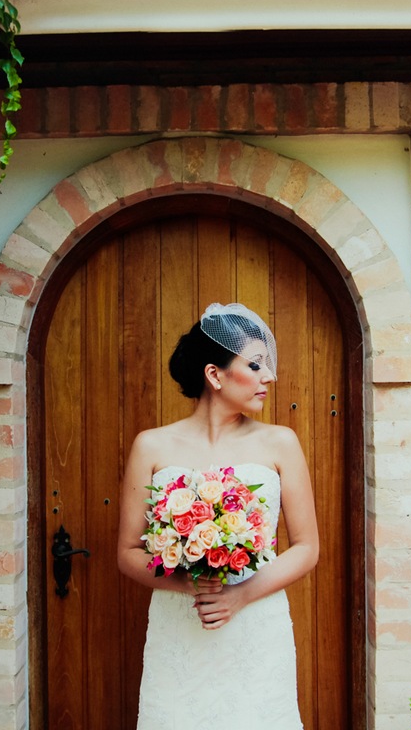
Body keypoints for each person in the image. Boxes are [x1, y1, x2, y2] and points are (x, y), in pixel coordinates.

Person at [117, 303, 320, 730]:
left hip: (256, 625)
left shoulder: (281, 443)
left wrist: (239, 595)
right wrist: (187, 582)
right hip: (181, 624)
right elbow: (129, 552)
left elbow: (307, 547)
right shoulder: (151, 446)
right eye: (255, 365)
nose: (269, 376)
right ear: (215, 375)